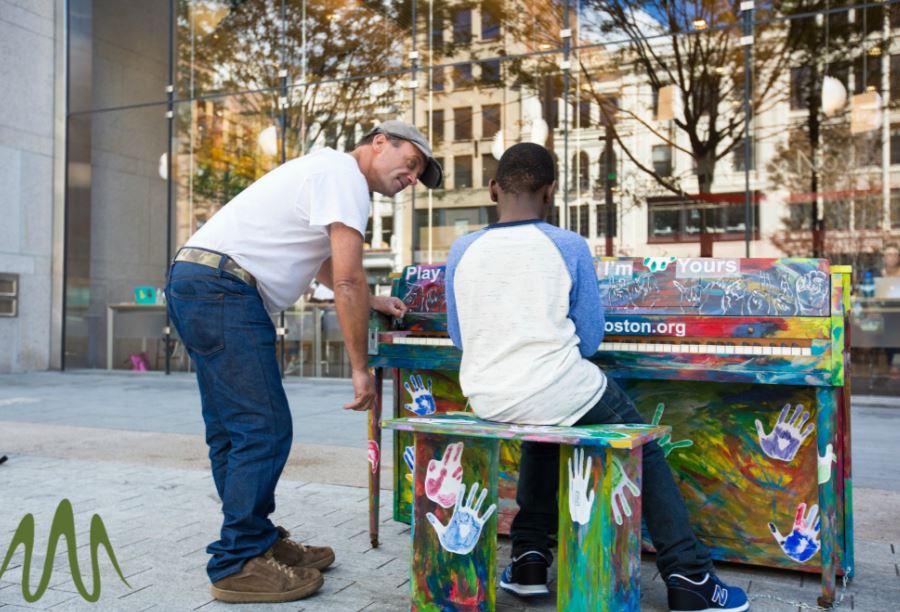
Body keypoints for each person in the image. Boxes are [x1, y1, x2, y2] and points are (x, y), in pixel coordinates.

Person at [445, 143, 749, 612]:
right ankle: (689, 578)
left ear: (491, 190)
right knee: (642, 443)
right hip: (553, 387)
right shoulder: (568, 245)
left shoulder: (462, 248)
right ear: (550, 192)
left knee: (544, 426)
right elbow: (589, 340)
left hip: (487, 394)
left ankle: (528, 560)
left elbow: (459, 335)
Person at [165, 121, 442, 604]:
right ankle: (237, 562)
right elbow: (349, 278)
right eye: (411, 163)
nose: (411, 178)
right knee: (263, 428)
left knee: (234, 430)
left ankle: (253, 538)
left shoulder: (325, 171)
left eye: (418, 173)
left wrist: (371, 299)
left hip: (200, 283)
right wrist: (360, 367)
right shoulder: (344, 176)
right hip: (224, 292)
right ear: (379, 142)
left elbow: (324, 262)